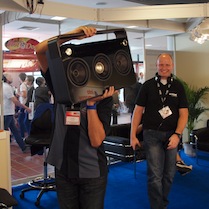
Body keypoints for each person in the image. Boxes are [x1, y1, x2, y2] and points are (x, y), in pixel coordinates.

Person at [35, 26, 116, 209]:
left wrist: (92, 104)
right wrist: (74, 34)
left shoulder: (103, 96)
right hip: (63, 169)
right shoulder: (59, 85)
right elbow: (40, 50)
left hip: (92, 171)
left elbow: (96, 140)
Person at [130, 53, 188, 209]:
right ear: (156, 66)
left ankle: (162, 201)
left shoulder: (178, 86)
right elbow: (137, 111)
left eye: (167, 65)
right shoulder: (147, 86)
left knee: (169, 175)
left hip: (172, 136)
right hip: (151, 135)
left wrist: (177, 135)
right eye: (161, 65)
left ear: (172, 66)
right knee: (155, 175)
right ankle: (158, 206)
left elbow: (184, 114)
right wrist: (132, 135)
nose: (164, 68)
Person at [2, 73, 31, 152]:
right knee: (4, 131)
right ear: (6, 78)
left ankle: (23, 147)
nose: (12, 78)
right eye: (10, 76)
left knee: (14, 130)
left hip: (8, 112)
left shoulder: (7, 87)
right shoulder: (6, 87)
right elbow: (15, 101)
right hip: (6, 113)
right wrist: (26, 108)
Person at [17, 72, 27, 138]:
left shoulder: (22, 85)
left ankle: (22, 136)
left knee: (20, 121)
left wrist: (18, 94)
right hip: (23, 104)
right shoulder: (24, 84)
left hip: (23, 104)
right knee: (22, 120)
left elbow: (24, 95)